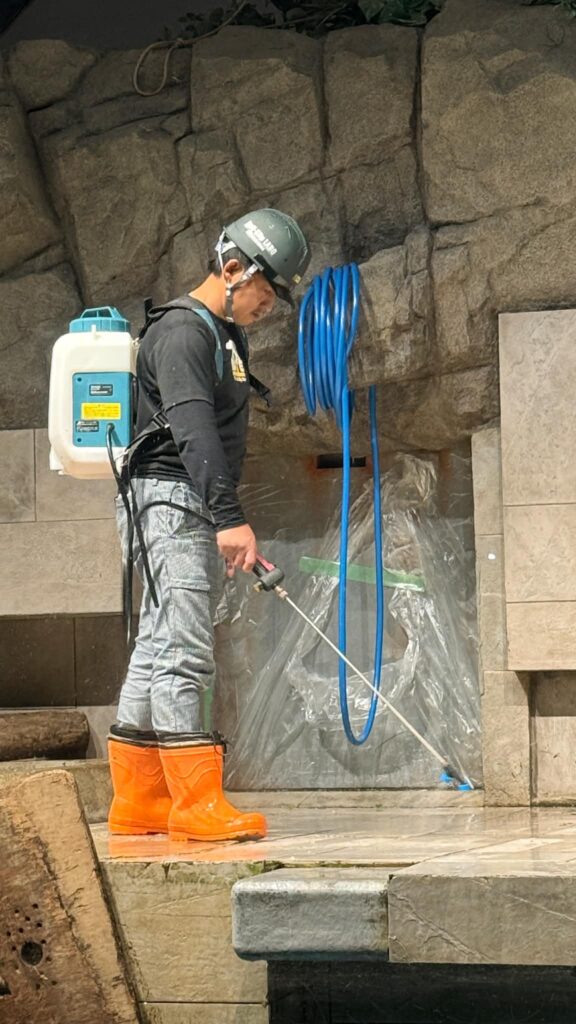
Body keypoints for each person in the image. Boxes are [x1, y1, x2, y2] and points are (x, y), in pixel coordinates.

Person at [107, 209, 311, 843]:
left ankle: (139, 800)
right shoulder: (183, 332)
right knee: (187, 649)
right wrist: (229, 518)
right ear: (233, 268)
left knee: (158, 641)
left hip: (176, 499)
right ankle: (195, 804)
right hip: (171, 500)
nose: (269, 305)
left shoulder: (221, 334)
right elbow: (193, 430)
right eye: (266, 289)